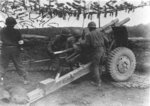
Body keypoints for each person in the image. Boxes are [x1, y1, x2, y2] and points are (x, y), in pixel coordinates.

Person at [74, 21, 108, 87]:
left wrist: (81, 42)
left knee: (95, 66)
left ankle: (97, 82)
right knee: (100, 65)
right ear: (95, 27)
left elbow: (87, 44)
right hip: (102, 50)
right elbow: (107, 41)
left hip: (96, 51)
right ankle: (99, 79)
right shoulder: (101, 33)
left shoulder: (89, 35)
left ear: (89, 28)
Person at [0, 17, 29, 85]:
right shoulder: (17, 31)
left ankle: (1, 80)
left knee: (3, 65)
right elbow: (21, 42)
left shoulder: (2, 31)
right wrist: (21, 48)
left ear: (6, 24)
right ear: (14, 24)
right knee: (18, 64)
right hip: (15, 49)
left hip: (5, 49)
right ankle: (25, 79)